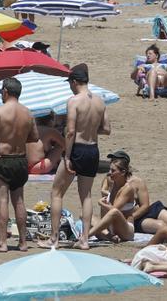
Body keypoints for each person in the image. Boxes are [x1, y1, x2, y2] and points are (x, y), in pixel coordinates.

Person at [47, 64, 109, 250]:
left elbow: (71, 131)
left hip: (78, 149)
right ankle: (84, 240)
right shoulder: (100, 101)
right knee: (87, 196)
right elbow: (106, 129)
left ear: (74, 82)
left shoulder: (74, 101)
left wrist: (67, 156)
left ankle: (54, 238)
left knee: (57, 192)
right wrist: (89, 128)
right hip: (93, 149)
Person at [0, 76, 39, 252]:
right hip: (20, 160)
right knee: (19, 201)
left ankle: (2, 243)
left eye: (1, 92)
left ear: (6, 91)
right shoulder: (27, 112)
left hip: (3, 160)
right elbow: (35, 137)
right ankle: (22, 242)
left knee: (2, 201)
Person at [82, 151, 167, 241]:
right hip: (122, 219)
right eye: (111, 161)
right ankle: (108, 235)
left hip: (140, 214)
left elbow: (145, 206)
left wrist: (131, 217)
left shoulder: (136, 182)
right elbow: (105, 192)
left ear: (123, 166)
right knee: (85, 216)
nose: (111, 166)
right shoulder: (111, 179)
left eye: (114, 160)